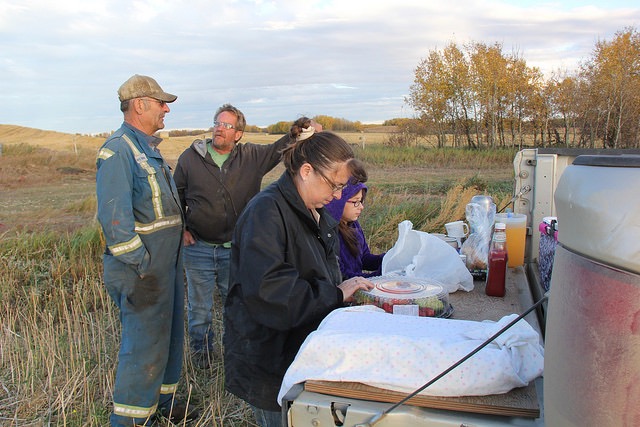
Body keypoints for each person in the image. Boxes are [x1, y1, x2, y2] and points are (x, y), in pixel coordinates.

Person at [223, 118, 375, 427]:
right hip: (271, 361)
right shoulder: (266, 212)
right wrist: (334, 294)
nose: (337, 196)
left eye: (342, 188)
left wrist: (343, 292)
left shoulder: (310, 210)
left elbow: (319, 270)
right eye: (334, 185)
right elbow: (272, 294)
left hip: (300, 354)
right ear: (306, 171)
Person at [173, 104, 315, 369]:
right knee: (199, 309)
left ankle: (235, 356)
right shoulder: (190, 158)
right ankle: (202, 358)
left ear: (238, 134)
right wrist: (183, 228)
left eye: (227, 125)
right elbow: (175, 194)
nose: (219, 128)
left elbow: (278, 149)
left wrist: (298, 130)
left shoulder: (251, 157)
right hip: (199, 249)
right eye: (217, 123)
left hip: (236, 249)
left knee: (238, 305)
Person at [96, 74, 197, 426]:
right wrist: (143, 264)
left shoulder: (147, 148)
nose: (166, 109)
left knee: (168, 340)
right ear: (139, 105)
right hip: (141, 271)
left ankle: (163, 407)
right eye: (160, 103)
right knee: (143, 348)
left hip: (164, 267)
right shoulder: (118, 150)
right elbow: (115, 222)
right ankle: (130, 421)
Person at [325, 180, 385, 279]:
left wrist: (388, 259)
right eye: (355, 202)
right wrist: (378, 276)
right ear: (339, 201)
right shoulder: (329, 233)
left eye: (361, 201)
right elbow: (342, 276)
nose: (361, 207)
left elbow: (364, 258)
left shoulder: (353, 224)